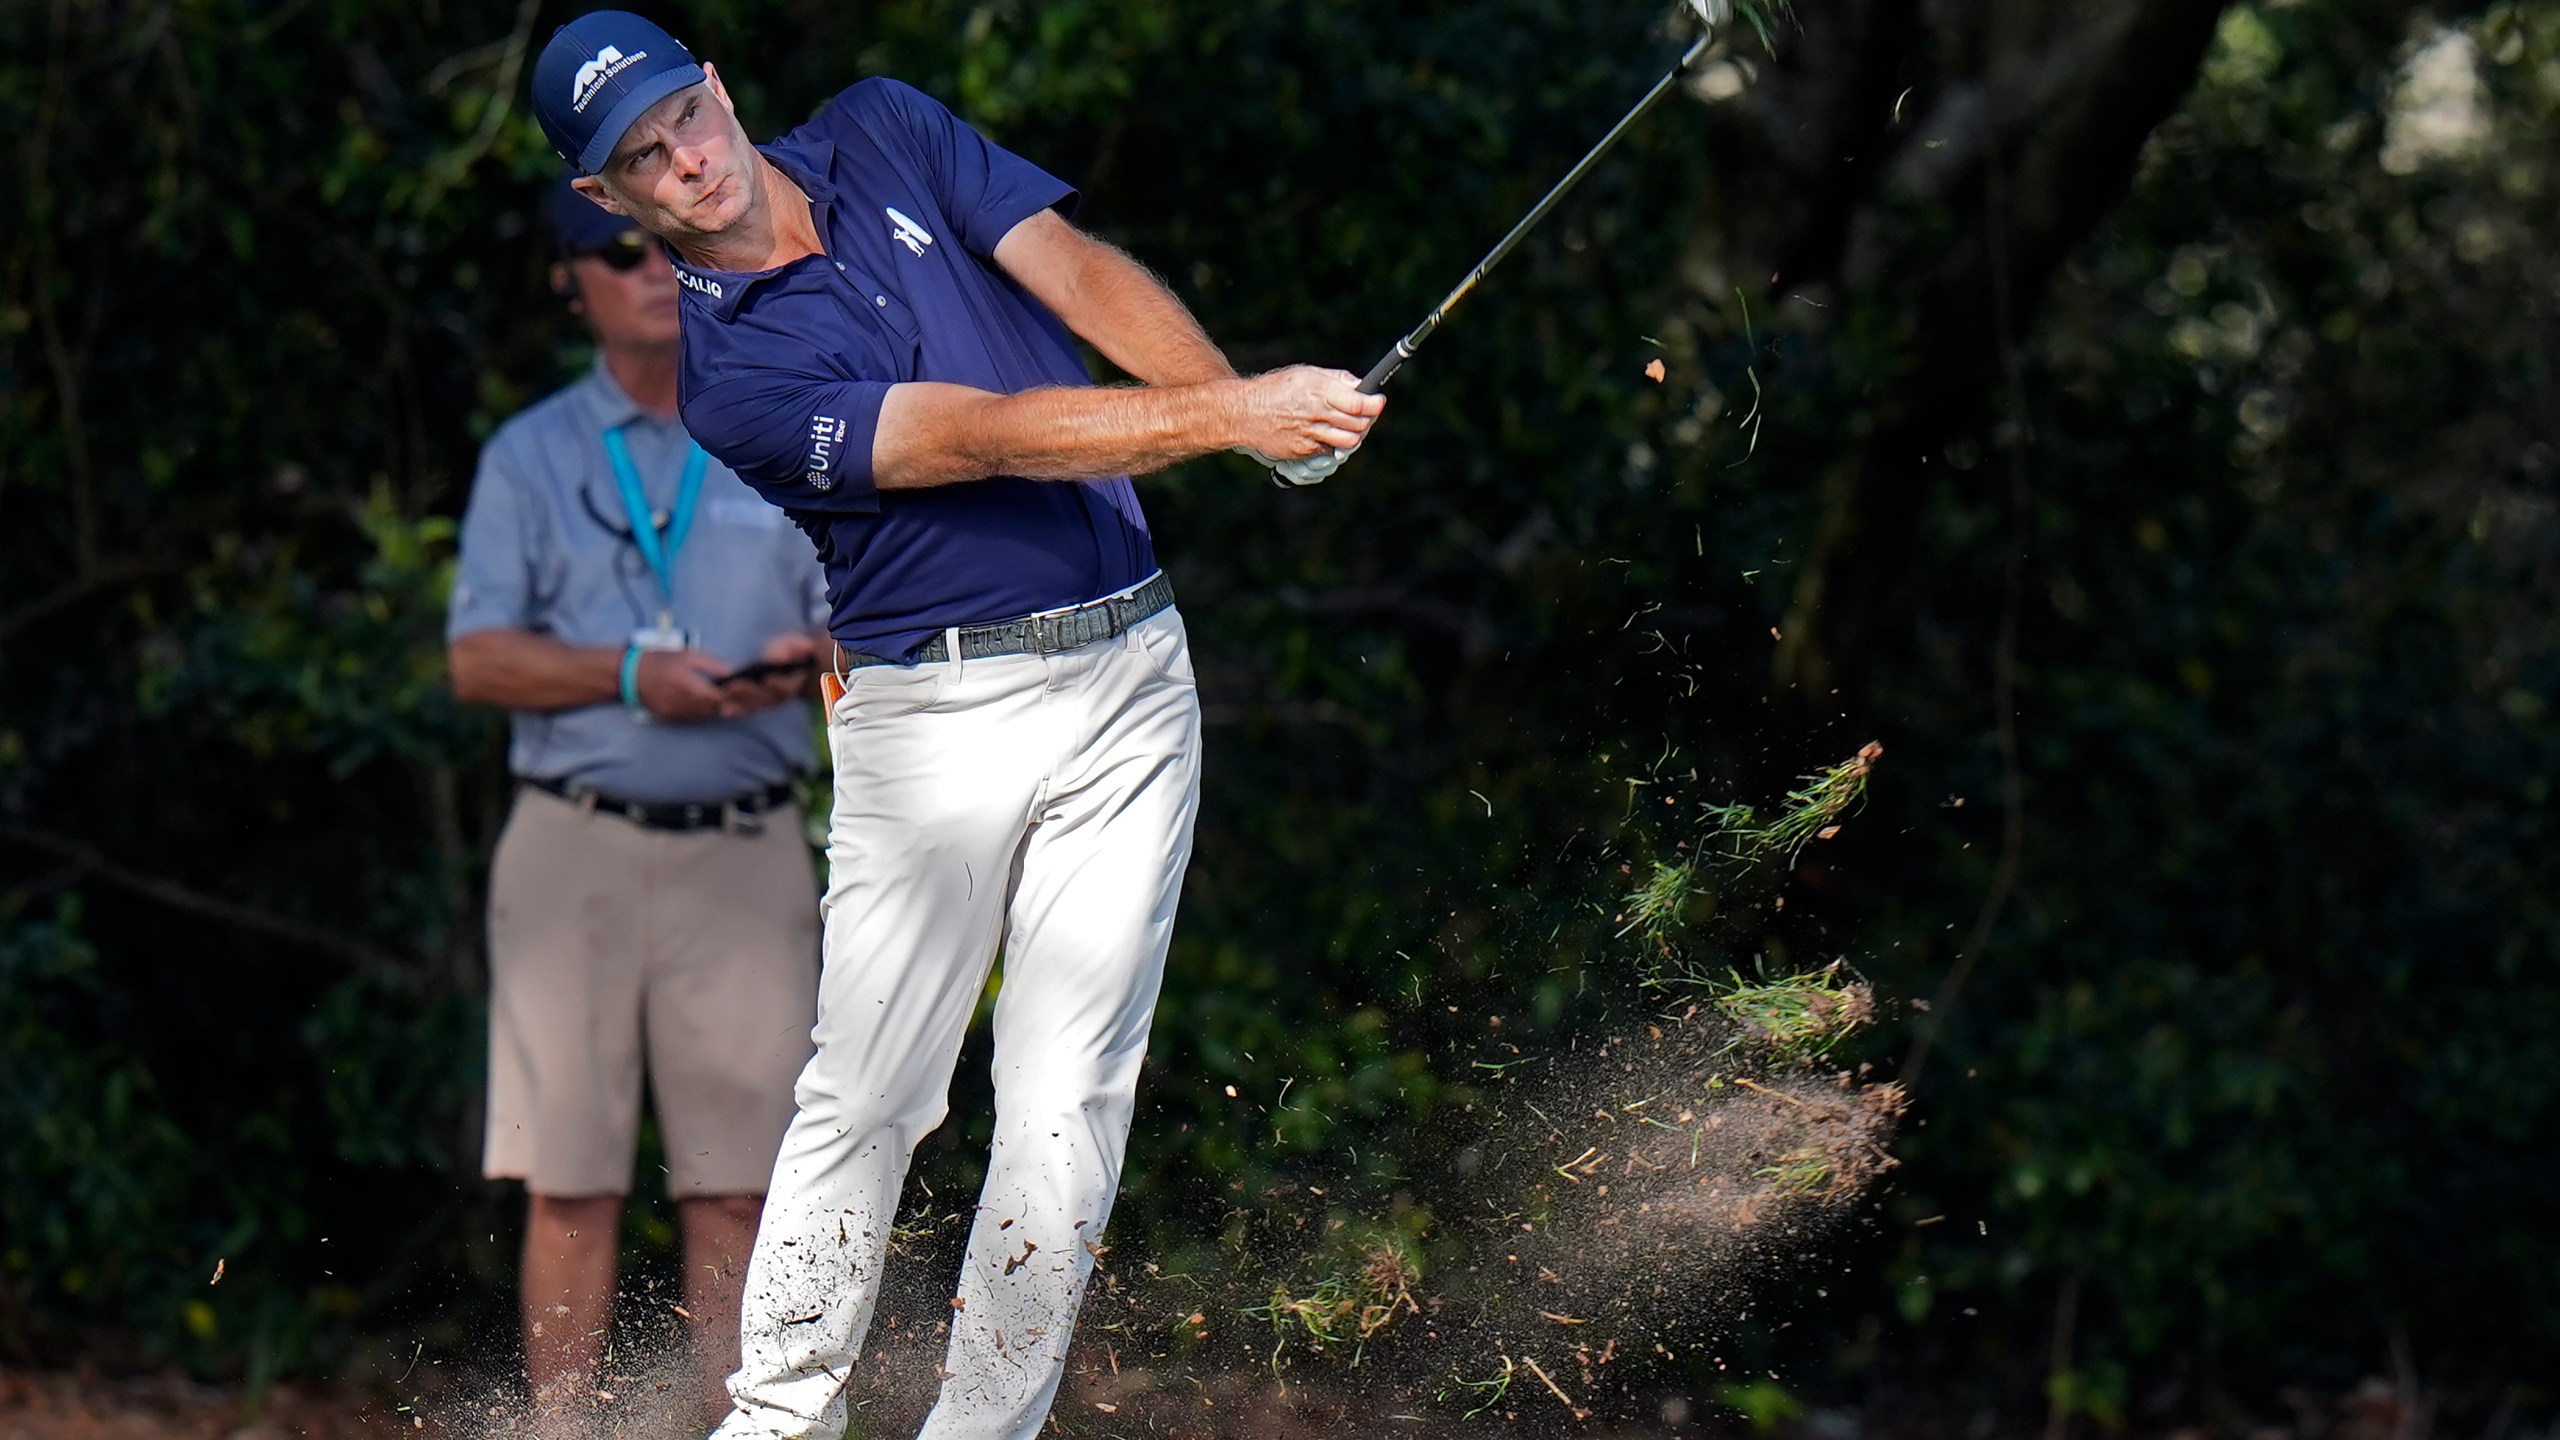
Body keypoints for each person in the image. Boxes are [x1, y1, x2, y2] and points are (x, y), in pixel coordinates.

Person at [527, 13, 1386, 1440]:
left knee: (1070, 1098)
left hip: (1132, 684)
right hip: (937, 716)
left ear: (718, 88)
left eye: (686, 115)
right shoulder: (730, 380)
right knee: (875, 1091)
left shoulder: (884, 124)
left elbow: (1076, 274)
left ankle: (986, 1432)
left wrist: (1232, 402)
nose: (688, 159)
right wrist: (1234, 419)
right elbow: (977, 436)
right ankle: (779, 1420)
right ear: (603, 199)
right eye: (643, 159)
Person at [445, 174, 831, 1424]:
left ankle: (732, 1427)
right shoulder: (530, 453)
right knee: (572, 1181)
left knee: (740, 1187)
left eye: (662, 242)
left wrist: (801, 662)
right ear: (570, 283)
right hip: (576, 853)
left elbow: (859, 629)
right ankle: (568, 1430)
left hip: (746, 847)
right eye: (615, 251)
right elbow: (475, 658)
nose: (649, 266)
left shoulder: (771, 425)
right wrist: (628, 674)